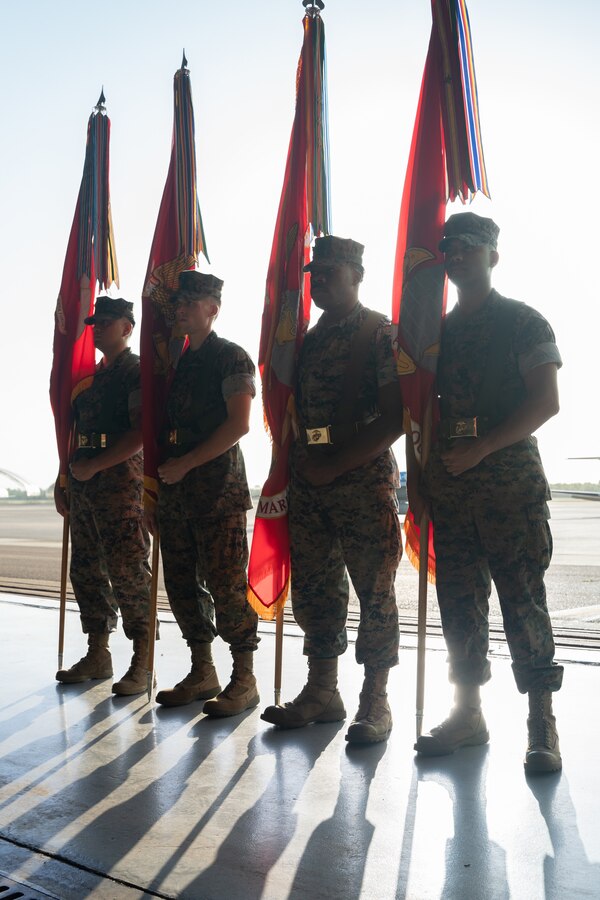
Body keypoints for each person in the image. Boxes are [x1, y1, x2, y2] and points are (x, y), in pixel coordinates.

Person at [410, 212, 563, 773]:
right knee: (460, 609)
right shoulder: (434, 336)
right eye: (449, 249)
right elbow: (419, 413)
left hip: (509, 490)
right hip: (450, 490)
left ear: (493, 257)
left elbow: (545, 401)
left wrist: (484, 447)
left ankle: (541, 723)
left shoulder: (522, 322)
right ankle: (468, 713)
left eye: (470, 249)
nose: (456, 258)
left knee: (523, 603)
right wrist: (419, 482)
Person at [261, 236, 404, 745]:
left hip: (361, 481)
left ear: (356, 275)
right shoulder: (307, 339)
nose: (318, 281)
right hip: (309, 481)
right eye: (313, 274)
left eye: (329, 273)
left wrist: (338, 465)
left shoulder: (378, 331)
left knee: (374, 592)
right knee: (317, 590)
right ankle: (323, 690)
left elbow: (395, 416)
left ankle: (375, 700)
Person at [149, 271, 260, 717]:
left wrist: (186, 464)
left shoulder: (230, 358)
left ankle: (244, 678)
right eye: (178, 305)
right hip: (177, 495)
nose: (181, 311)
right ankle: (202, 671)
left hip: (217, 494)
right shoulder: (176, 365)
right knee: (181, 586)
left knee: (227, 586)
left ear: (213, 308)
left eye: (190, 304)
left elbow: (239, 425)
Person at [55, 296, 153, 696]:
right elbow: (74, 435)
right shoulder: (89, 379)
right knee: (87, 569)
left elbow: (139, 434)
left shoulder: (135, 373)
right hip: (84, 483)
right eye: (95, 322)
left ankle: (143, 659)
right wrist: (65, 477)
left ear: (128, 328)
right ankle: (98, 652)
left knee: (128, 571)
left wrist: (96, 466)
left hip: (120, 485)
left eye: (108, 322)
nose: (98, 327)